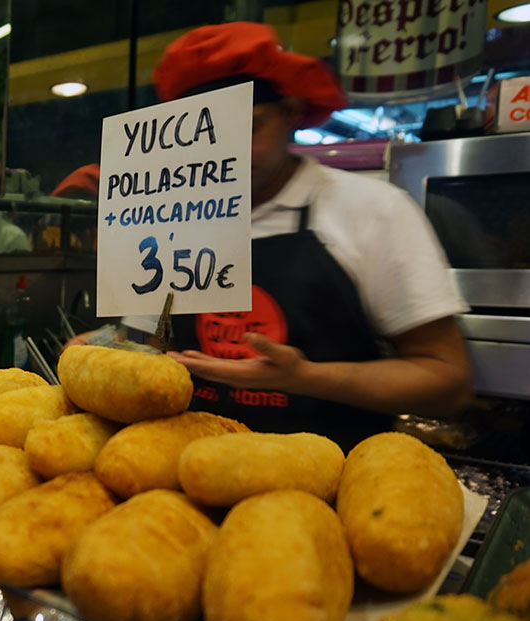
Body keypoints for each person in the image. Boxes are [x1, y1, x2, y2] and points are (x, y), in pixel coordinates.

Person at [63, 22, 473, 449]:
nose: (226, 155)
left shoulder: (373, 211)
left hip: (329, 480)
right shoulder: (163, 215)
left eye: (248, 128)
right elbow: (146, 339)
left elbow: (448, 381)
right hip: (179, 471)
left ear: (292, 112)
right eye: (206, 140)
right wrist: (105, 344)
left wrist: (307, 378)